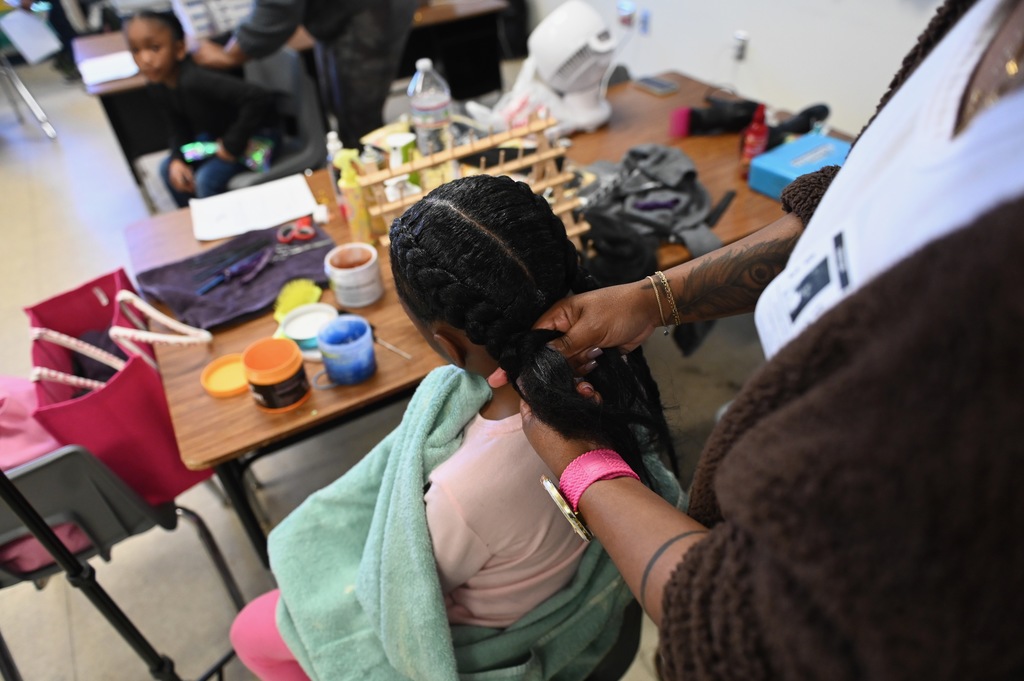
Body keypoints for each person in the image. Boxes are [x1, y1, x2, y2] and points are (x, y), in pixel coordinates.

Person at [508, 0, 1024, 677]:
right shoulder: (976, 21)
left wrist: (583, 467)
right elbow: (844, 211)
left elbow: (760, 634)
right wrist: (652, 296)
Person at [228, 174, 684, 680]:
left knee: (251, 630)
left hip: (490, 630)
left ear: (448, 346)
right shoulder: (611, 374)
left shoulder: (464, 491)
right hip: (555, 582)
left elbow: (408, 582)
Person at [192, 0, 417, 149]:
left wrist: (233, 53)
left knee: (360, 124)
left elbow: (278, 6)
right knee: (343, 113)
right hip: (336, 14)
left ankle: (381, 202)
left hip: (370, 8)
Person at [124, 11, 279, 207]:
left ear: (179, 49)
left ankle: (222, 230)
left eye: (154, 48)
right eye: (136, 50)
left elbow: (258, 98)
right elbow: (178, 127)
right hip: (217, 139)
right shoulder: (157, 85)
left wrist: (232, 144)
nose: (145, 59)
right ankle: (199, 223)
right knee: (168, 169)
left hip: (258, 140)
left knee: (206, 180)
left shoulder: (196, 80)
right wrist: (178, 159)